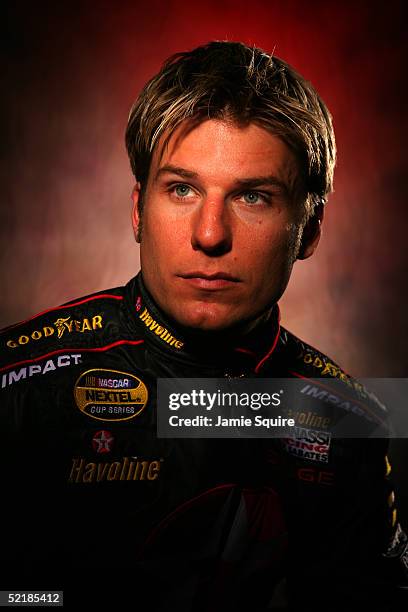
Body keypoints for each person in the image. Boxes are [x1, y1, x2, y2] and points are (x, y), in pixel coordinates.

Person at [0, 41, 406, 611]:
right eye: (183, 189)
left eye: (254, 197)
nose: (210, 234)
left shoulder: (349, 421)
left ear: (309, 229)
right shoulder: (18, 384)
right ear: (138, 210)